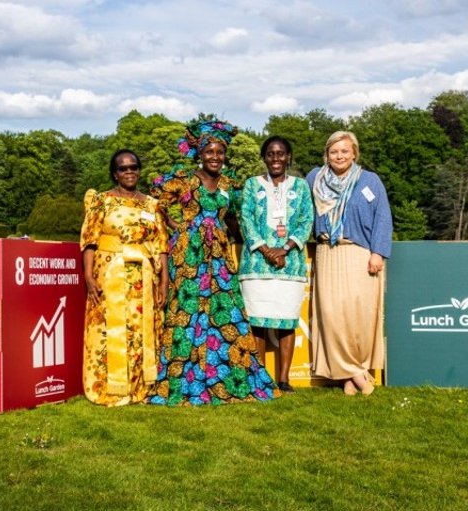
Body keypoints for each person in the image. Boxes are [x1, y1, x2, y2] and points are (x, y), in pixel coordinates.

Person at [147, 116, 279, 406]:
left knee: (224, 316)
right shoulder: (181, 180)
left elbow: (233, 219)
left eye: (220, 152)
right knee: (187, 313)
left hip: (219, 259)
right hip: (188, 259)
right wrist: (178, 226)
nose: (215, 157)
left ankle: (227, 379)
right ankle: (186, 381)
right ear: (199, 153)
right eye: (210, 152)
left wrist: (256, 246)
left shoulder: (229, 185)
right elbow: (155, 203)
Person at [80, 149, 170, 406]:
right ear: (114, 173)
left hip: (144, 278)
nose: (129, 171)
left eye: (133, 167)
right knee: (110, 329)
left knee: (141, 331)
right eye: (123, 168)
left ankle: (140, 387)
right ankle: (110, 387)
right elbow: (89, 241)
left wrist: (164, 281)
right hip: (109, 274)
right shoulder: (101, 201)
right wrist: (89, 276)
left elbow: (161, 245)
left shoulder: (152, 204)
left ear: (139, 170)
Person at [306, 131, 392, 396]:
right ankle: (356, 373)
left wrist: (378, 252)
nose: (339, 156)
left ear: (354, 153)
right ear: (327, 154)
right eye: (334, 152)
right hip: (328, 251)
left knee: (359, 317)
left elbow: (383, 218)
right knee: (331, 316)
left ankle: (349, 374)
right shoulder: (314, 179)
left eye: (344, 151)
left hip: (361, 253)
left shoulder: (370, 181)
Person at [238, 136, 314, 392]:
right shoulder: (252, 185)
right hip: (257, 263)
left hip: (289, 263)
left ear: (289, 157)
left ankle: (284, 379)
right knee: (258, 322)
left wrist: (284, 249)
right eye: (270, 154)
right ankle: (260, 379)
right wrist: (266, 249)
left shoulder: (301, 186)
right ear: (264, 158)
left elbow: (306, 220)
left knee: (287, 320)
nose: (276, 158)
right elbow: (245, 217)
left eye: (281, 154)